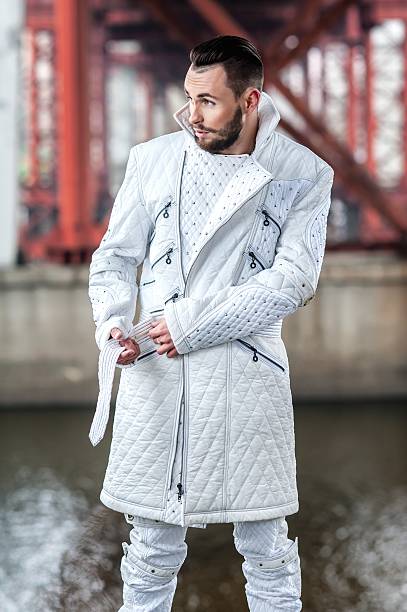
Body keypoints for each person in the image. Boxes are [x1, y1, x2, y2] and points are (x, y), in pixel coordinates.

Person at [88, 35, 334, 611]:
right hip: (155, 363)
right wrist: (113, 326)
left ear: (251, 101)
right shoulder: (152, 159)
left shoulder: (302, 172)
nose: (191, 115)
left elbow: (295, 278)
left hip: (247, 373)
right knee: (148, 547)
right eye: (189, 97)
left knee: (268, 547)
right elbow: (115, 258)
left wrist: (190, 324)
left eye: (208, 102)